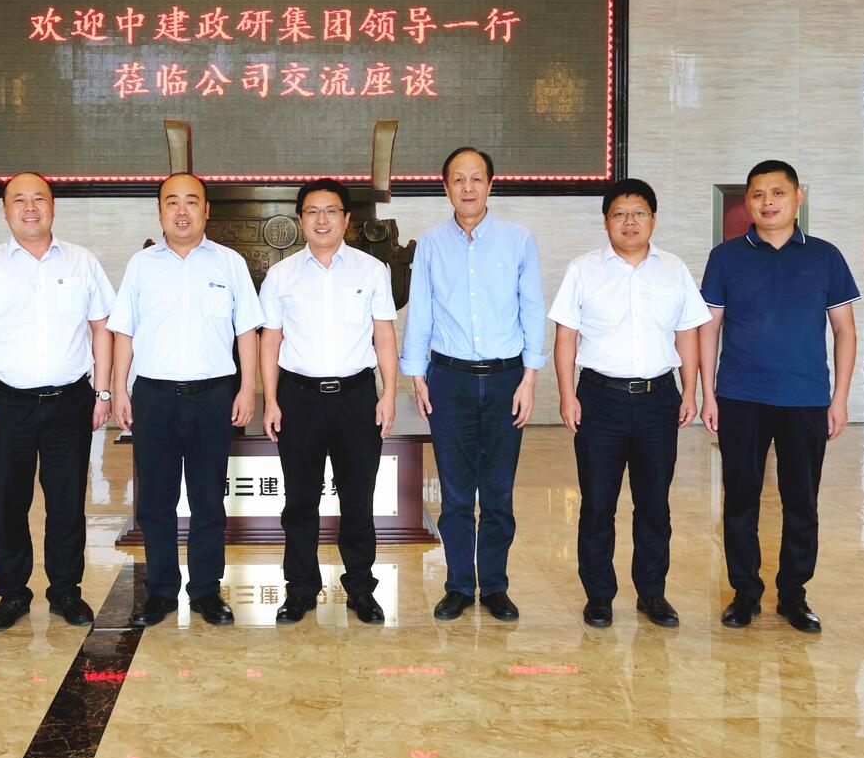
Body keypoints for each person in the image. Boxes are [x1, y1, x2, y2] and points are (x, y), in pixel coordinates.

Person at [700, 160, 859, 633]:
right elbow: (709, 329)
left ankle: (794, 595)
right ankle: (744, 594)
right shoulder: (726, 257)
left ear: (797, 198)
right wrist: (709, 394)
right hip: (740, 397)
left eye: (778, 193)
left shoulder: (826, 256)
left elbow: (844, 332)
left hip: (806, 398)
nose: (767, 202)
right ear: (747, 201)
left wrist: (839, 398)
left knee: (801, 502)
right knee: (740, 501)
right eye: (757, 194)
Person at [0, 172, 116, 630]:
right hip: (6, 403)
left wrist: (102, 391)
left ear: (53, 206)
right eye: (19, 200)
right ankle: (12, 594)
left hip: (70, 401)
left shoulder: (82, 261)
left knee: (67, 503)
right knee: (8, 503)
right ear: (5, 210)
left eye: (38, 199)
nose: (30, 208)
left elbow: (103, 327)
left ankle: (66, 592)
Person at [549, 179, 709, 629]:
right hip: (600, 400)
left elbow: (687, 333)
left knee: (654, 504)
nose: (629, 222)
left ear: (653, 219)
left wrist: (690, 391)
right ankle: (599, 595)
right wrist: (567, 395)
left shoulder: (674, 269)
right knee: (597, 504)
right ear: (606, 222)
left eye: (638, 212)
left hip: (659, 399)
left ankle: (652, 594)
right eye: (619, 213)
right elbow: (566, 336)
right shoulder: (583, 269)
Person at [109, 173, 264, 627]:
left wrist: (247, 388)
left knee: (207, 499)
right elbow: (124, 332)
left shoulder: (229, 263)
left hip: (213, 397)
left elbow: (246, 331)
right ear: (160, 212)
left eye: (191, 202)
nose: (182, 211)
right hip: (153, 397)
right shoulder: (141, 266)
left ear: (206, 210)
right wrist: (119, 389)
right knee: (155, 502)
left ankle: (206, 591)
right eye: (172, 202)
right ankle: (160, 591)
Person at [400, 147, 546, 622]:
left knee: (498, 493)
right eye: (458, 179)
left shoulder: (517, 240)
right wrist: (416, 374)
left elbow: (532, 310)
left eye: (476, 178)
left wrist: (529, 378)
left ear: (490, 184)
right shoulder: (430, 243)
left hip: (506, 379)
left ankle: (496, 586)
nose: (468, 187)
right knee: (456, 494)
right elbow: (421, 310)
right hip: (449, 379)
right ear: (445, 187)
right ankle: (460, 585)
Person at [259, 178, 399, 625]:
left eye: (331, 211)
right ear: (301, 220)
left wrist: (389, 393)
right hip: (298, 398)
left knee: (358, 499)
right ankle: (300, 589)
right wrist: (270, 400)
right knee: (300, 501)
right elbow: (270, 341)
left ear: (347, 219)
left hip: (356, 398)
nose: (322, 220)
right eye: (313, 211)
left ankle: (360, 588)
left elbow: (384, 335)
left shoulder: (371, 270)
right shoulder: (281, 275)